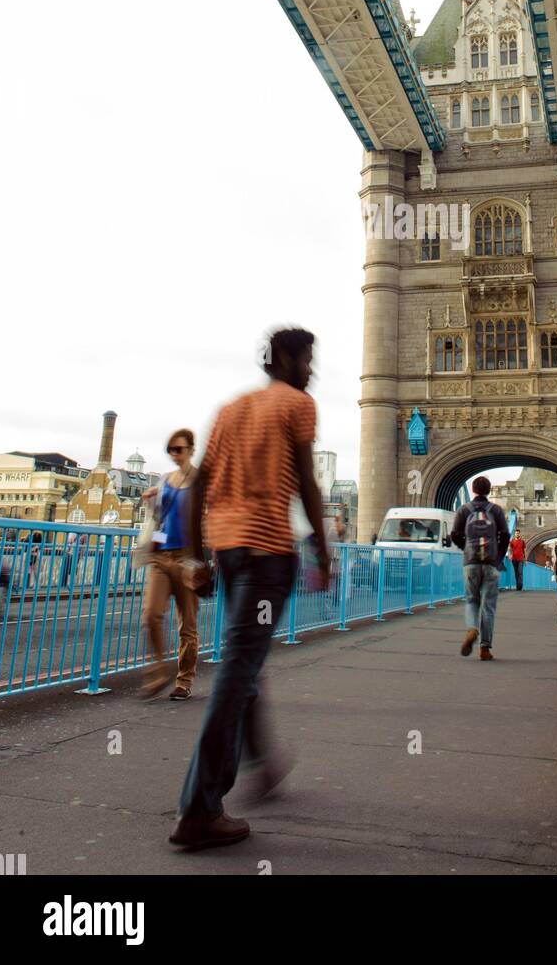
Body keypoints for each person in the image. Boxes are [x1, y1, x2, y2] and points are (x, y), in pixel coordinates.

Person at [169, 326, 330, 851]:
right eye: (307, 358)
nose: (311, 368)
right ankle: (199, 809)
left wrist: (197, 557)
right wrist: (323, 551)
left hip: (230, 553)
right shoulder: (298, 405)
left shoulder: (232, 408)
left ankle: (261, 761)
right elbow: (306, 482)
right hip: (266, 556)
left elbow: (199, 487)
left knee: (245, 659)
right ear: (285, 357)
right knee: (239, 667)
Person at [137, 429, 201, 701]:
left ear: (191, 450)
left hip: (188, 559)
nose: (174, 454)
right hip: (161, 556)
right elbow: (160, 518)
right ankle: (160, 669)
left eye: (179, 449)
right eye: (171, 450)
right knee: (150, 615)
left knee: (187, 626)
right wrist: (151, 502)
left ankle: (184, 681)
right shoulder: (164, 481)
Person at [451, 477, 509, 661]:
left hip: (471, 562)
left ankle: (472, 629)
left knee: (471, 600)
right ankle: (485, 648)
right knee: (488, 606)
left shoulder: (464, 510)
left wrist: (465, 547)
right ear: (489, 490)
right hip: (491, 563)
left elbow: (454, 534)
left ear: (474, 490)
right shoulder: (496, 510)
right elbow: (506, 536)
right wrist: (499, 558)